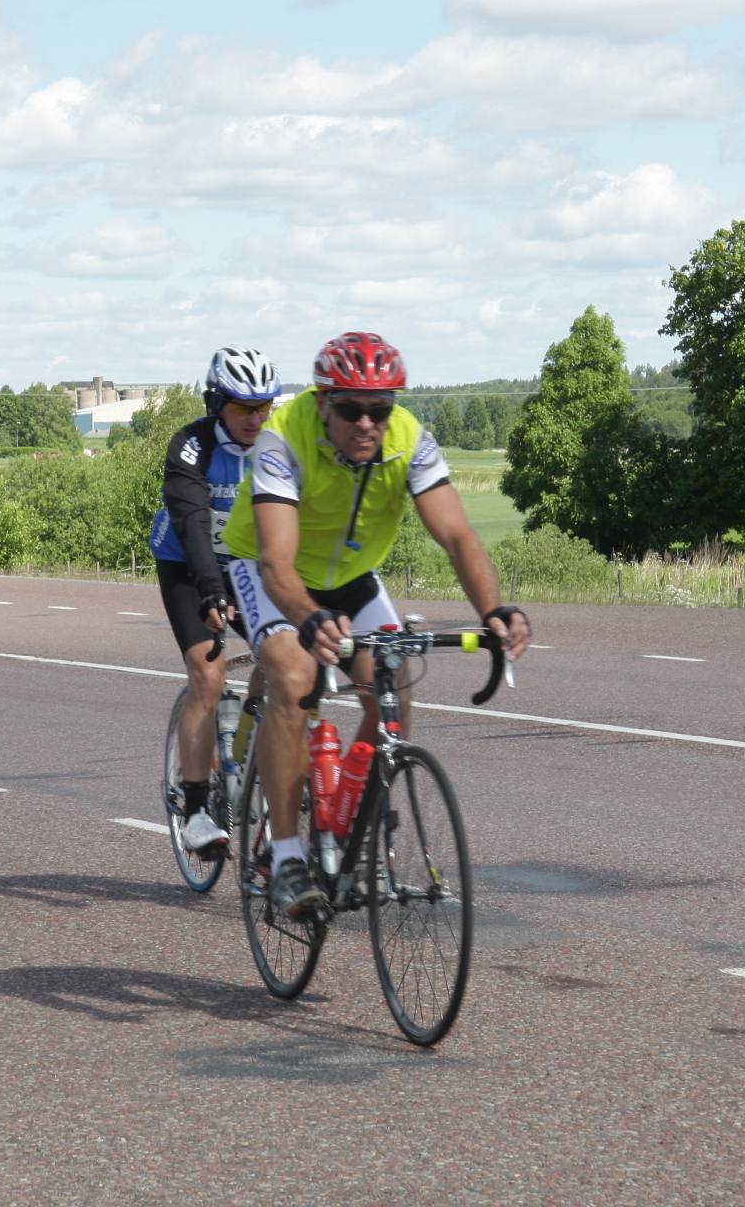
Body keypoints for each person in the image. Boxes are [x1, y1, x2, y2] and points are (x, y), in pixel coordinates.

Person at [219, 332, 531, 919]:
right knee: (293, 676)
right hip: (267, 571)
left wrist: (493, 611)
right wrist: (309, 620)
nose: (366, 423)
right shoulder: (283, 439)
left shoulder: (409, 439)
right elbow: (277, 565)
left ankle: (352, 821)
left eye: (379, 409)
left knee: (394, 683)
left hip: (351, 575)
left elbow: (458, 536)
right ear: (323, 403)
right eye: (351, 409)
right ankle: (285, 857)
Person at [148, 345, 281, 857]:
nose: (255, 418)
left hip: (247, 564)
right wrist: (210, 589)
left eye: (264, 406)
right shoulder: (192, 445)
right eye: (243, 406)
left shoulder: (277, 444)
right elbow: (193, 521)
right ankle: (198, 810)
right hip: (187, 562)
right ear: (216, 403)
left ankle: (250, 748)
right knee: (208, 672)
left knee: (285, 658)